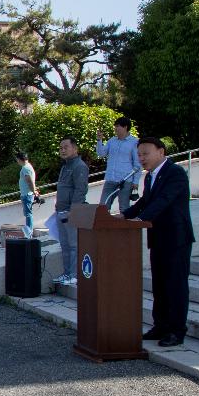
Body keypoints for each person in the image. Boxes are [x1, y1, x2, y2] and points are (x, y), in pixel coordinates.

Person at [118, 137, 195, 347]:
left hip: (176, 239)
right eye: (139, 154)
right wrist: (124, 216)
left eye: (146, 153)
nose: (142, 158)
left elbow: (164, 200)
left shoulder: (175, 173)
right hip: (157, 237)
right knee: (160, 285)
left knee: (175, 285)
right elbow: (145, 201)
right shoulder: (150, 177)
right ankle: (160, 326)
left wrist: (141, 219)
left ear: (161, 152)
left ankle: (176, 331)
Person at [53, 136, 90, 287]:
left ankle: (74, 274)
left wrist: (73, 210)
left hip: (71, 211)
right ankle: (67, 273)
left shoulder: (79, 166)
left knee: (73, 245)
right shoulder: (65, 166)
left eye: (65, 147)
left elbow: (80, 190)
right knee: (65, 245)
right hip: (61, 211)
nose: (62, 150)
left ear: (75, 148)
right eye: (61, 148)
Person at [97, 117, 142, 214]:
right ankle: (104, 228)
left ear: (125, 127)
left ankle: (126, 228)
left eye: (118, 126)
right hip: (110, 178)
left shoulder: (134, 142)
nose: (115, 129)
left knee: (124, 207)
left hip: (126, 180)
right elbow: (101, 153)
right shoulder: (112, 141)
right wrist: (99, 140)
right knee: (103, 206)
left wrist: (136, 181)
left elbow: (137, 164)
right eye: (115, 126)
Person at [16, 152, 41, 239]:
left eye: (17, 159)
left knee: (28, 214)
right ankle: (28, 232)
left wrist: (34, 192)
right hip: (27, 194)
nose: (17, 161)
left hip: (27, 195)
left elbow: (29, 181)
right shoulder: (27, 167)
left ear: (20, 159)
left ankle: (29, 233)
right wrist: (35, 191)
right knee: (28, 214)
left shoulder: (25, 168)